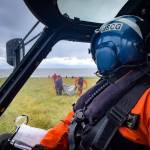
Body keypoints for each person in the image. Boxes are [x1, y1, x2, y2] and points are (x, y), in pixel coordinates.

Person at [2, 15, 150, 150]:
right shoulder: (105, 86)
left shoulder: (146, 98)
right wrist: (44, 147)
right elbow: (71, 124)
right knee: (4, 141)